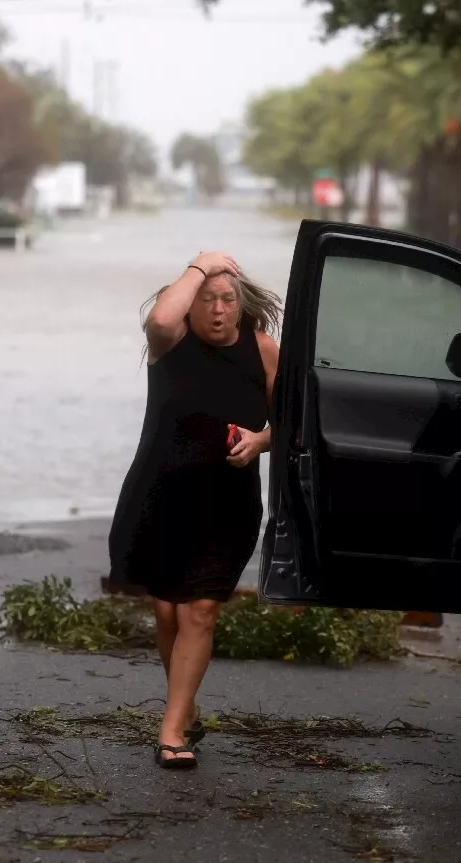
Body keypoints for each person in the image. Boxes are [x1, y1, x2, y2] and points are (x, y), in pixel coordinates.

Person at [108, 250, 282, 770]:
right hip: (158, 495)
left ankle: (170, 730)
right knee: (167, 612)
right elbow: (161, 316)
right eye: (207, 300)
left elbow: (295, 419)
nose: (218, 310)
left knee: (199, 610)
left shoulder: (265, 350)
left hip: (226, 504)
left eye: (227, 299)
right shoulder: (171, 342)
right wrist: (201, 264)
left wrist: (261, 441)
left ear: (241, 303)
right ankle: (185, 708)